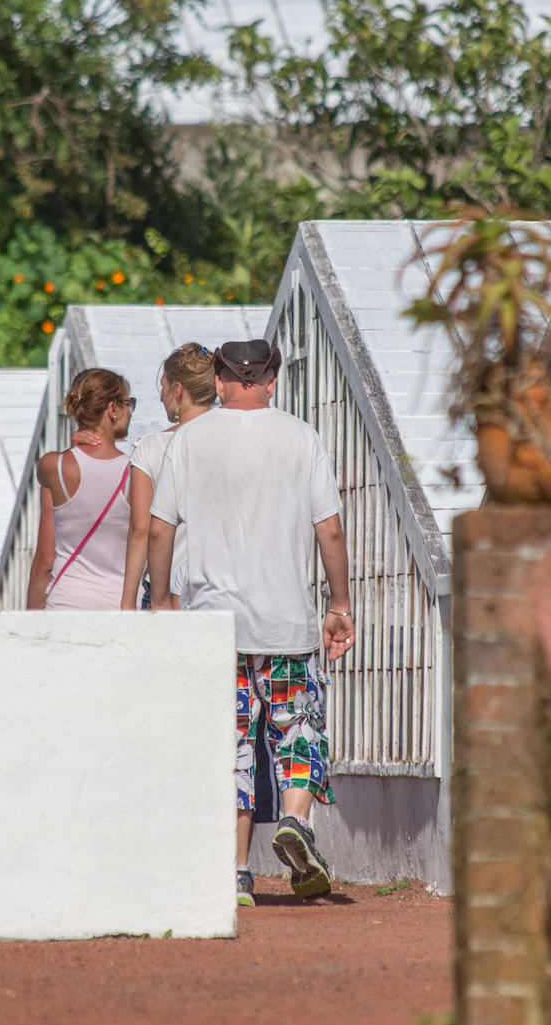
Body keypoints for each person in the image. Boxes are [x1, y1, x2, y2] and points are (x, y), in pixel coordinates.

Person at [147, 339, 353, 906]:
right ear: (272, 380)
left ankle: (236, 871)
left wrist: (162, 598)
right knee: (297, 728)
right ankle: (295, 821)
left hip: (215, 627)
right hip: (286, 623)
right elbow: (329, 529)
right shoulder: (300, 436)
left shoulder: (188, 440)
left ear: (218, 381)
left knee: (231, 743)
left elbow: (160, 529)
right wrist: (339, 604)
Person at [26, 368, 134, 611]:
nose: (130, 412)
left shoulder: (55, 467)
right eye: (128, 404)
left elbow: (45, 560)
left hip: (68, 603)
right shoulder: (137, 472)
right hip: (122, 606)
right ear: (112, 410)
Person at [120, 343, 217, 611]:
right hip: (222, 589)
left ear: (178, 390)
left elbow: (142, 531)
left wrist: (128, 601)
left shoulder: (151, 447)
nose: (161, 396)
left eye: (163, 386)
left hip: (165, 591)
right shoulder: (233, 441)